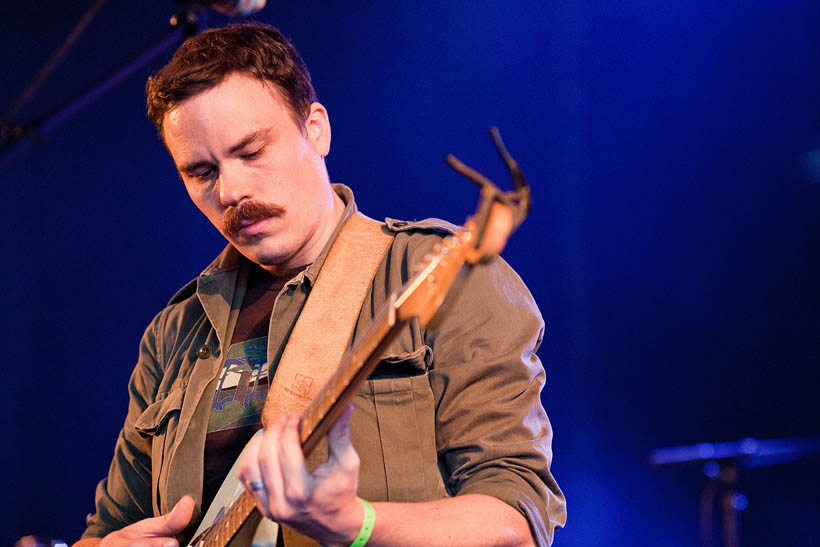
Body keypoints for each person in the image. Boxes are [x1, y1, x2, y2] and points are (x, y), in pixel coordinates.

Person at [73, 22, 565, 547]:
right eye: (201, 172)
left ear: (316, 129)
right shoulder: (174, 334)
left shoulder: (438, 272)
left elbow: (517, 520)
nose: (232, 190)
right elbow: (105, 530)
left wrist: (354, 525)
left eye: (251, 151)